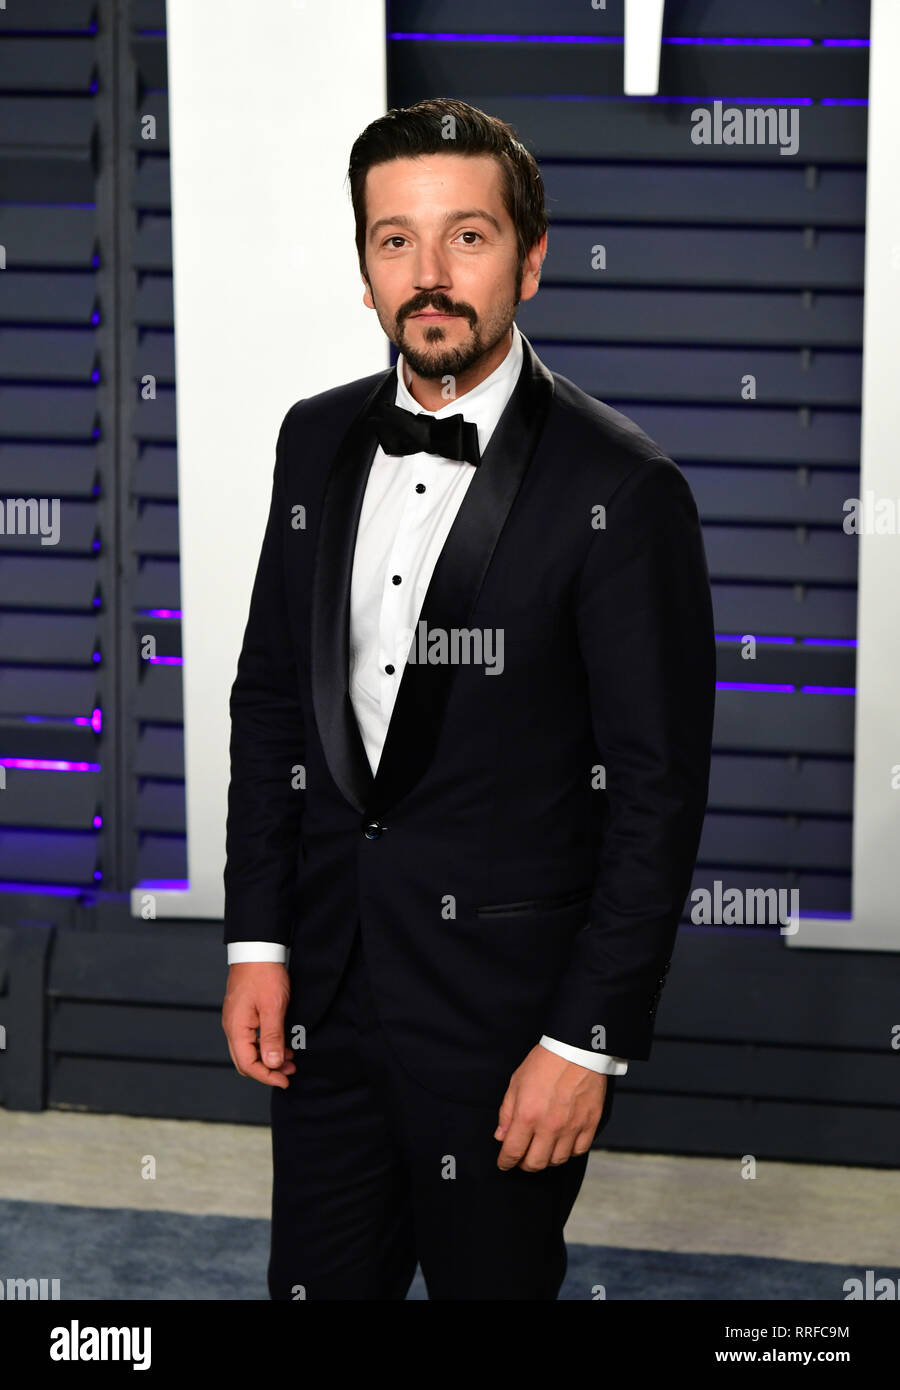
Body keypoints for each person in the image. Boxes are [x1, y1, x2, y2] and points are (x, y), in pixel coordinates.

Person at [221, 97, 715, 1301]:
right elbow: (273, 699)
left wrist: (584, 1038)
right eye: (396, 239)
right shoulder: (316, 439)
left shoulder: (625, 487)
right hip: (326, 1002)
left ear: (532, 259)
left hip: (510, 1029)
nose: (429, 275)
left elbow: (656, 793)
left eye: (468, 237)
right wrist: (258, 936)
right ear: (364, 263)